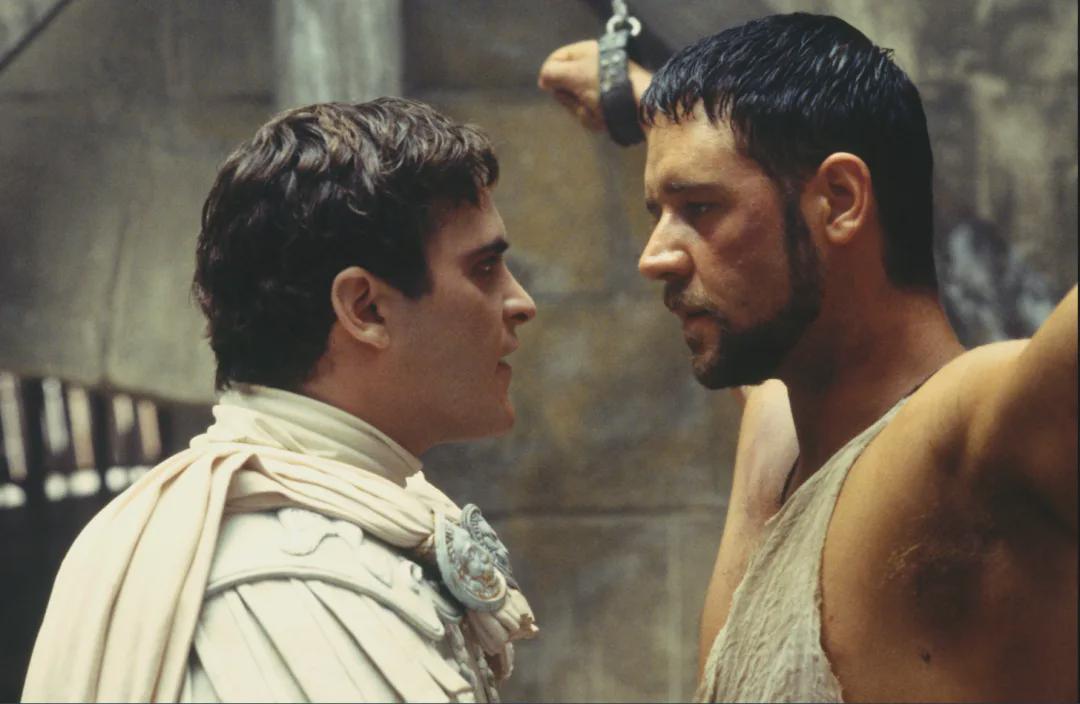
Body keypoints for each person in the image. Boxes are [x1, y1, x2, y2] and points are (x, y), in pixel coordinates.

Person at [540, 13, 1077, 702]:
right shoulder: (777, 424)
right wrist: (647, 101)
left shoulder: (977, 432)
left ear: (841, 201)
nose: (654, 257)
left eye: (699, 208)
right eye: (658, 212)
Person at [23, 98, 538, 703]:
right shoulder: (291, 590)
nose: (522, 302)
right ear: (366, 309)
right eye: (484, 269)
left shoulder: (357, 524)